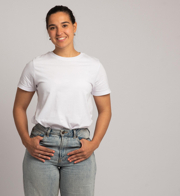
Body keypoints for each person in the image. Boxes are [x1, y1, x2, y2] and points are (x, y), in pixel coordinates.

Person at [13, 5, 112, 196]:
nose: (59, 32)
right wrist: (26, 141)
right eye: (52, 27)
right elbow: (19, 107)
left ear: (74, 27)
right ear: (48, 32)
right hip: (42, 147)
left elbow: (105, 110)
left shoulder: (93, 66)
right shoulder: (36, 66)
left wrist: (95, 143)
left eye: (64, 25)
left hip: (79, 148)